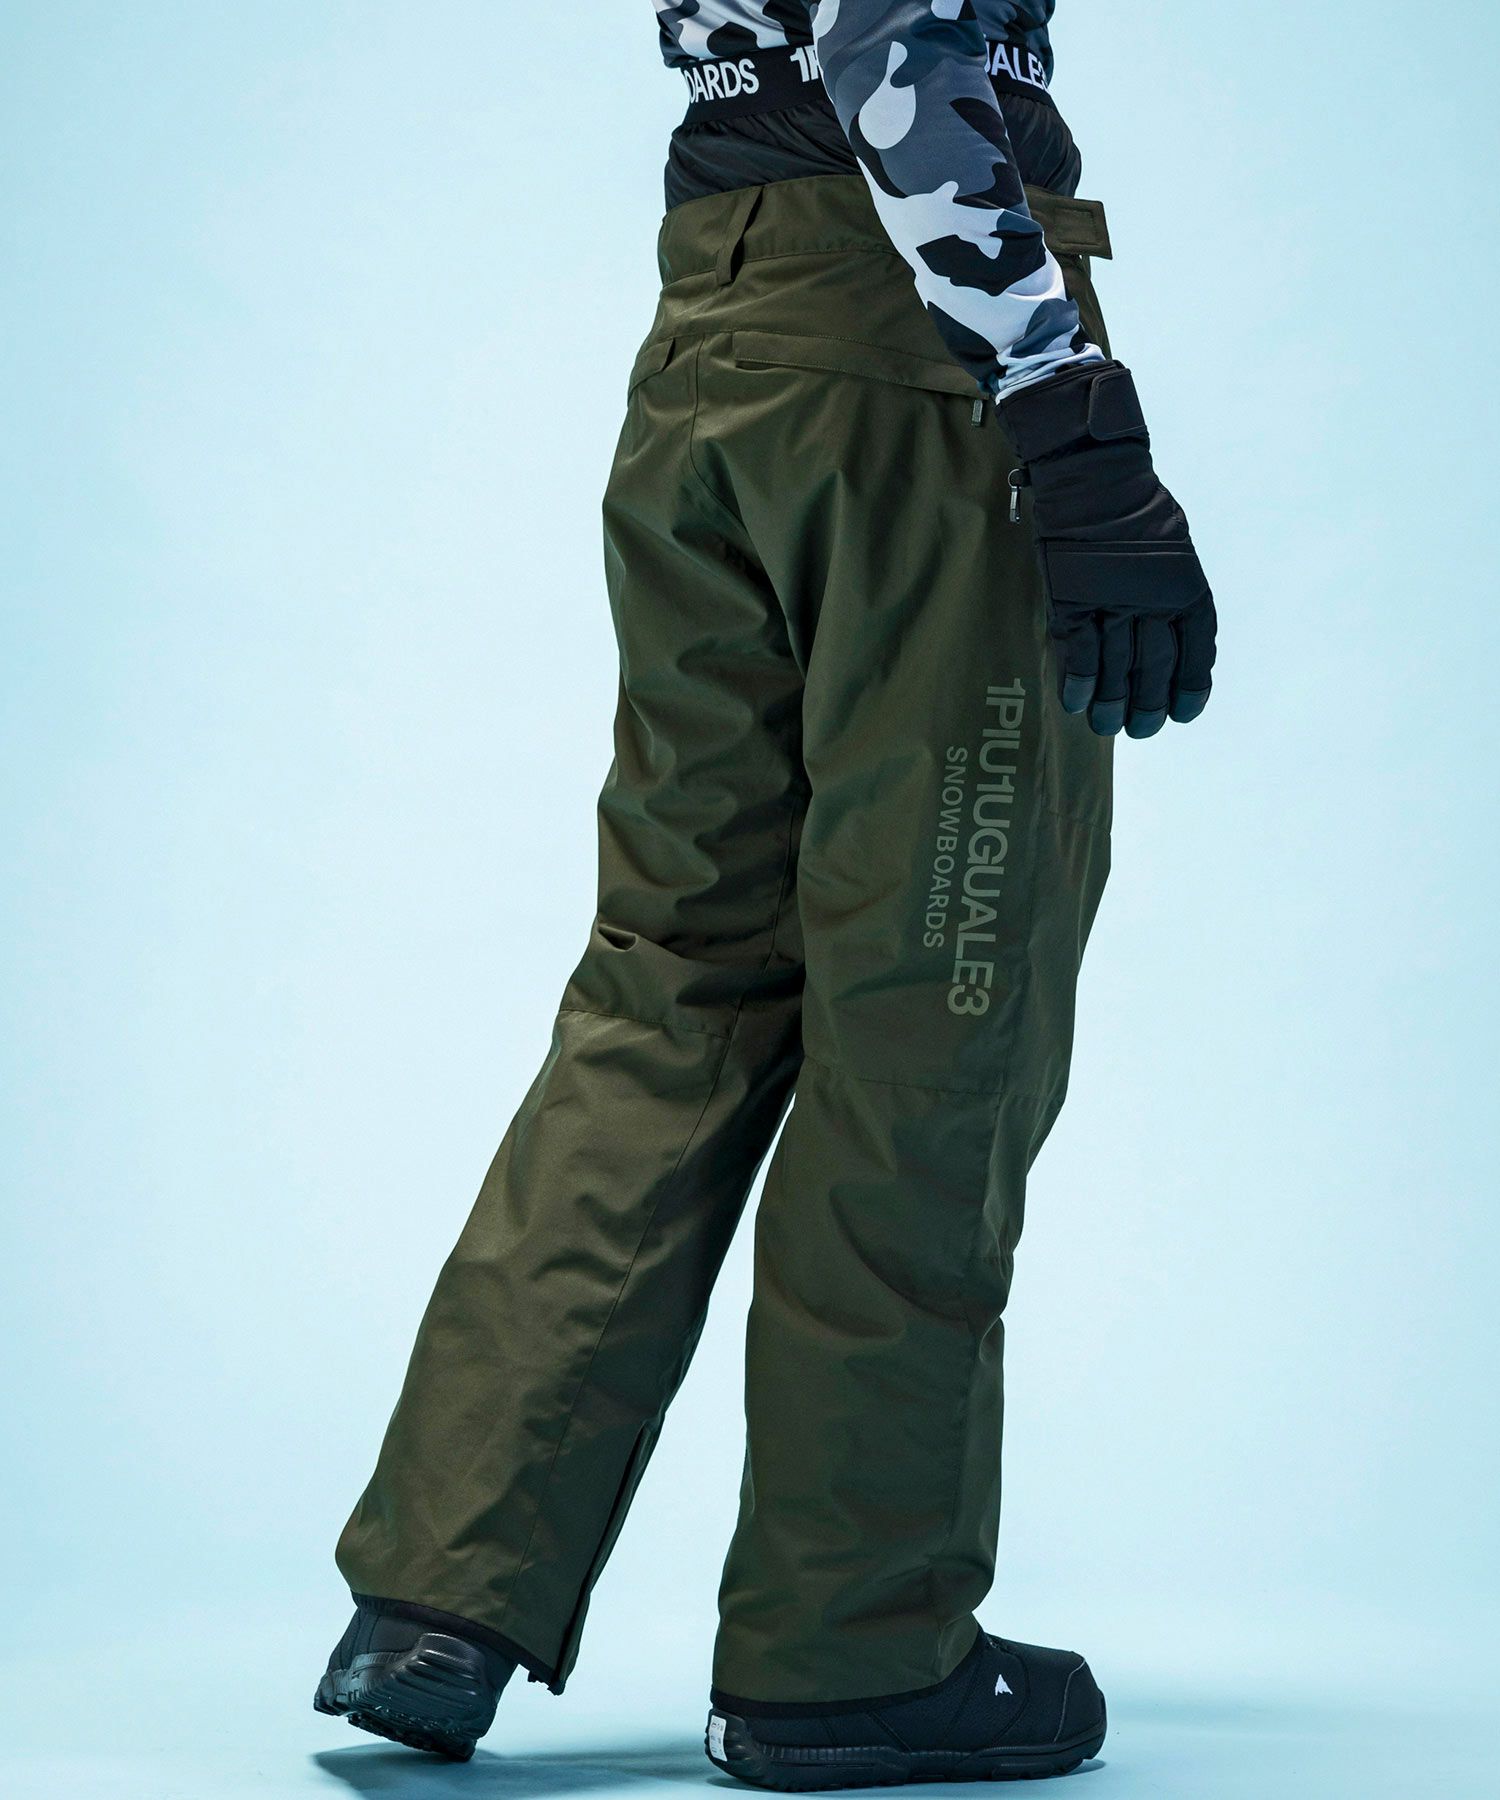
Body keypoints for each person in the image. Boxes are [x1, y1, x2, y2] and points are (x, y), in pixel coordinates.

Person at [314, 0, 1216, 1784]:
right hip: (915, 344)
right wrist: (1068, 411)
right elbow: (891, 45)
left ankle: (440, 1594)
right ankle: (848, 1655)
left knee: (674, 986)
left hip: (712, 333)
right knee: (931, 1021)